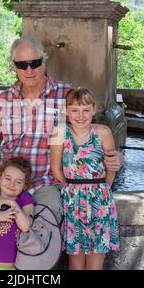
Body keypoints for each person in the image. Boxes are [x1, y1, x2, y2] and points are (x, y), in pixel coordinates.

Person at [0, 35, 124, 269]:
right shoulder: (3, 102)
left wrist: (114, 156)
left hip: (47, 181)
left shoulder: (66, 95)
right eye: (21, 65)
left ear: (44, 62)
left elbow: (88, 133)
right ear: (14, 67)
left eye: (35, 62)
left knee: (39, 243)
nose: (29, 70)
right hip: (6, 180)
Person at [50, 87, 120, 270]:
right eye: (74, 110)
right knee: (76, 259)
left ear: (94, 110)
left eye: (86, 110)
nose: (80, 115)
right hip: (73, 199)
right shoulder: (59, 133)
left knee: (96, 259)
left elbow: (111, 165)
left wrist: (105, 189)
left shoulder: (103, 132)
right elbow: (56, 169)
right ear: (66, 111)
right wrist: (71, 188)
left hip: (99, 199)